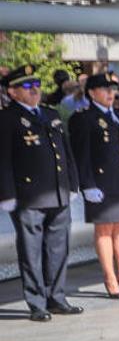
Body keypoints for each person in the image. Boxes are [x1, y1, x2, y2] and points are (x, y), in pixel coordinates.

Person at [0, 65, 84, 321]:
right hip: (28, 196)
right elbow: (3, 160)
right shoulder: (7, 118)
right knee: (32, 251)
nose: (34, 89)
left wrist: (73, 184)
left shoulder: (50, 114)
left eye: (36, 84)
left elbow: (66, 152)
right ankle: (37, 302)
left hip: (58, 192)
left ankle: (56, 297)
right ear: (12, 92)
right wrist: (6, 194)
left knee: (58, 249)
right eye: (26, 86)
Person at [69, 71, 119, 299]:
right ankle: (110, 278)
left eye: (112, 89)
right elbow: (81, 155)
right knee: (104, 230)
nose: (110, 93)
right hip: (101, 184)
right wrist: (87, 185)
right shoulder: (83, 118)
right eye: (104, 89)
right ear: (92, 93)